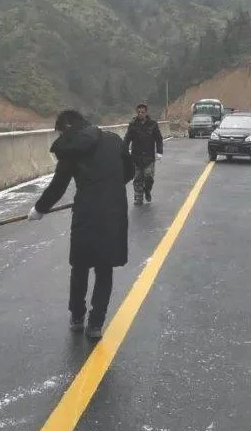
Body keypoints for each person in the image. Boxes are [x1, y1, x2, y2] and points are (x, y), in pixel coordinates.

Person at [28, 109, 134, 339]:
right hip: (114, 212)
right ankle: (95, 324)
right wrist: (108, 188)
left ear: (66, 128)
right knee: (104, 269)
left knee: (80, 266)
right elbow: (129, 172)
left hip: (86, 213)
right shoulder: (113, 140)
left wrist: (39, 209)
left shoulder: (73, 149)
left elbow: (58, 185)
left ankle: (77, 317)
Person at [122, 103, 163, 205]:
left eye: (142, 112)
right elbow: (127, 139)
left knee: (149, 176)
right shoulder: (132, 125)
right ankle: (138, 197)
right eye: (139, 112)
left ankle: (147, 190)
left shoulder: (153, 124)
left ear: (146, 113)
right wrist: (123, 151)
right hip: (136, 157)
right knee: (137, 178)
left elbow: (159, 139)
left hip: (149, 157)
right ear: (137, 113)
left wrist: (159, 151)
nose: (140, 114)